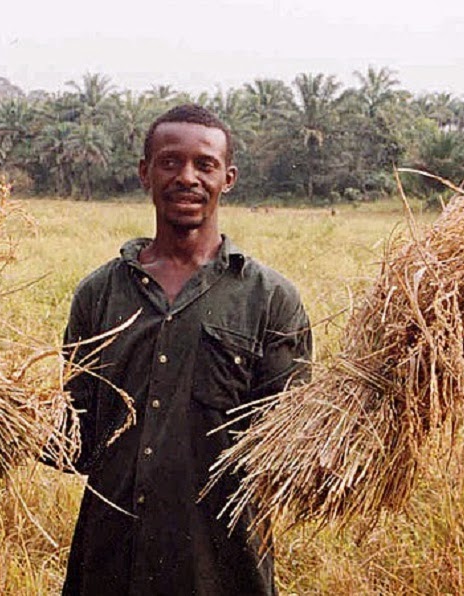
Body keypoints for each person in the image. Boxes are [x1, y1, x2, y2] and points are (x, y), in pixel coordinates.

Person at [59, 104, 312, 595]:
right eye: (170, 162)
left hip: (222, 568)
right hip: (111, 564)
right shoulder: (99, 294)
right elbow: (78, 439)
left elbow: (287, 451)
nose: (187, 178)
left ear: (228, 179)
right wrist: (4, 412)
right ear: (145, 173)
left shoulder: (270, 299)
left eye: (205, 164)